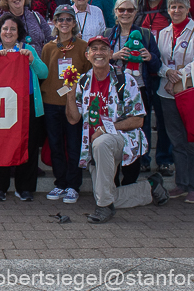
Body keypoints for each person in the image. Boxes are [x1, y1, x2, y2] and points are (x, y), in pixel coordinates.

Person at [66, 36, 168, 223]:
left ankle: (104, 208)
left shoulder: (125, 80)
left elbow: (138, 120)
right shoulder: (83, 82)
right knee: (105, 193)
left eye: (103, 49)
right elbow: (73, 119)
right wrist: (70, 95)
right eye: (94, 49)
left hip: (123, 139)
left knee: (102, 142)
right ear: (87, 55)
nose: (98, 53)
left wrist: (106, 129)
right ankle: (151, 187)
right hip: (95, 146)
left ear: (111, 54)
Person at [0, 13, 48, 201]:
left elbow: (44, 73)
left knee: (29, 146)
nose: (9, 32)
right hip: (1, 106)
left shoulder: (28, 49)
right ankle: (0, 188)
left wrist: (32, 60)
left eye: (13, 29)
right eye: (5, 28)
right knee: (0, 146)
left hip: (27, 105)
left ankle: (25, 188)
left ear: (19, 32)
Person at [156, 0, 194, 204]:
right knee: (177, 140)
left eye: (180, 7)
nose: (176, 10)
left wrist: (175, 77)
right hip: (167, 93)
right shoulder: (163, 33)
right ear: (168, 10)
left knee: (193, 141)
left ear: (188, 9)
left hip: (190, 91)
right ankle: (182, 183)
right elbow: (159, 61)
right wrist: (167, 73)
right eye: (173, 7)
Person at [102, 0, 162, 176]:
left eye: (130, 10)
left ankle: (142, 159)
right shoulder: (108, 34)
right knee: (115, 124)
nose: (125, 13)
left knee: (140, 126)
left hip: (139, 88)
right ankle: (117, 158)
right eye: (122, 10)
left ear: (136, 12)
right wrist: (113, 56)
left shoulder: (145, 34)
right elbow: (99, 59)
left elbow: (157, 64)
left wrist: (149, 57)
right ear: (115, 12)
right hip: (114, 89)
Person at [40, 6, 90, 204]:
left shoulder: (83, 47)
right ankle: (60, 183)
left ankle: (73, 185)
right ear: (54, 23)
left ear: (74, 23)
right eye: (60, 19)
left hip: (73, 104)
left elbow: (88, 75)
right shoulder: (48, 48)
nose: (64, 23)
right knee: (55, 145)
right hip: (51, 102)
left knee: (74, 145)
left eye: (69, 19)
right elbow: (44, 73)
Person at [131, 0, 175, 177]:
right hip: (143, 73)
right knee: (144, 118)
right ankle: (143, 159)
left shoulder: (171, 6)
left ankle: (165, 159)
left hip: (165, 71)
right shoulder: (137, 7)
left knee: (164, 118)